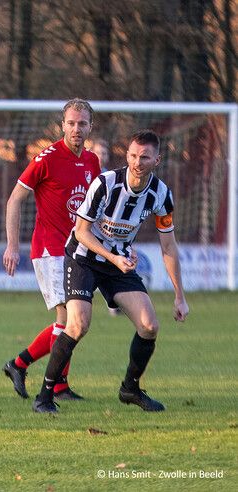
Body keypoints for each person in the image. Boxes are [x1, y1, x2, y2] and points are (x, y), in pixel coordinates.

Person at [32, 129, 189, 413]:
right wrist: (114, 258)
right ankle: (44, 396)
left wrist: (180, 295)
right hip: (83, 257)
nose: (137, 162)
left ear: (157, 160)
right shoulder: (105, 183)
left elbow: (168, 247)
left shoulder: (161, 194)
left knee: (149, 325)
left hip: (117, 262)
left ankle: (130, 389)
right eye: (132, 155)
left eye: (144, 157)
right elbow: (81, 232)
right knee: (78, 325)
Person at [1, 99, 100, 400]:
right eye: (70, 123)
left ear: (89, 127)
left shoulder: (93, 162)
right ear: (62, 125)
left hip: (77, 249)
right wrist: (12, 246)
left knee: (68, 321)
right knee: (69, 317)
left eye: (82, 123)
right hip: (49, 249)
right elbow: (15, 199)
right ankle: (54, 384)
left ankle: (22, 366)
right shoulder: (46, 158)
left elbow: (96, 209)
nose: (76, 129)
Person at [90, 138, 123, 316]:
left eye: (104, 153)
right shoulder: (86, 173)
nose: (101, 156)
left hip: (103, 227)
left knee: (108, 261)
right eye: (98, 153)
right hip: (84, 226)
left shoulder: (109, 177)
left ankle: (113, 303)